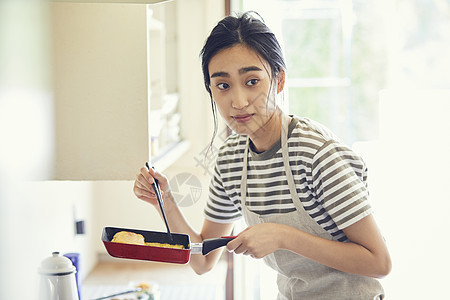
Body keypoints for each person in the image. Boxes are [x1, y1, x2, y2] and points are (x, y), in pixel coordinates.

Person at [134, 12, 391, 299]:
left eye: (252, 81)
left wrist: (283, 236)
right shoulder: (231, 161)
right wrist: (165, 201)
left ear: (278, 81)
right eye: (223, 85)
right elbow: (203, 259)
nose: (239, 101)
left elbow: (378, 262)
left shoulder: (316, 154)